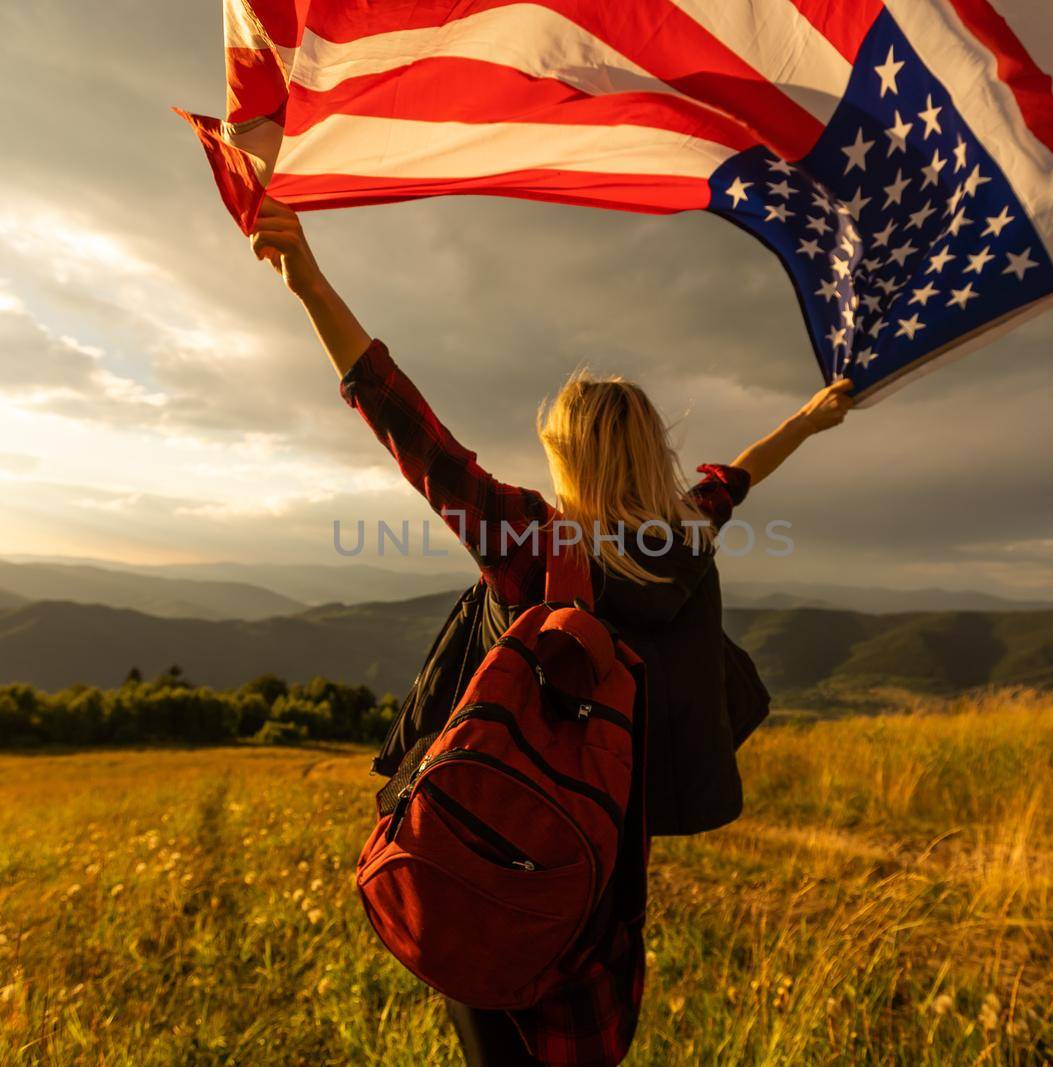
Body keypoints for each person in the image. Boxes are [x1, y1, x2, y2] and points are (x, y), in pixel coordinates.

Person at [247, 200, 853, 1066]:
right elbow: (736, 478)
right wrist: (809, 416)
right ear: (649, 455)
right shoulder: (682, 541)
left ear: (568, 454)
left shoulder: (526, 538)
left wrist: (308, 283)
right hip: (601, 880)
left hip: (489, 847)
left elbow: (405, 424)